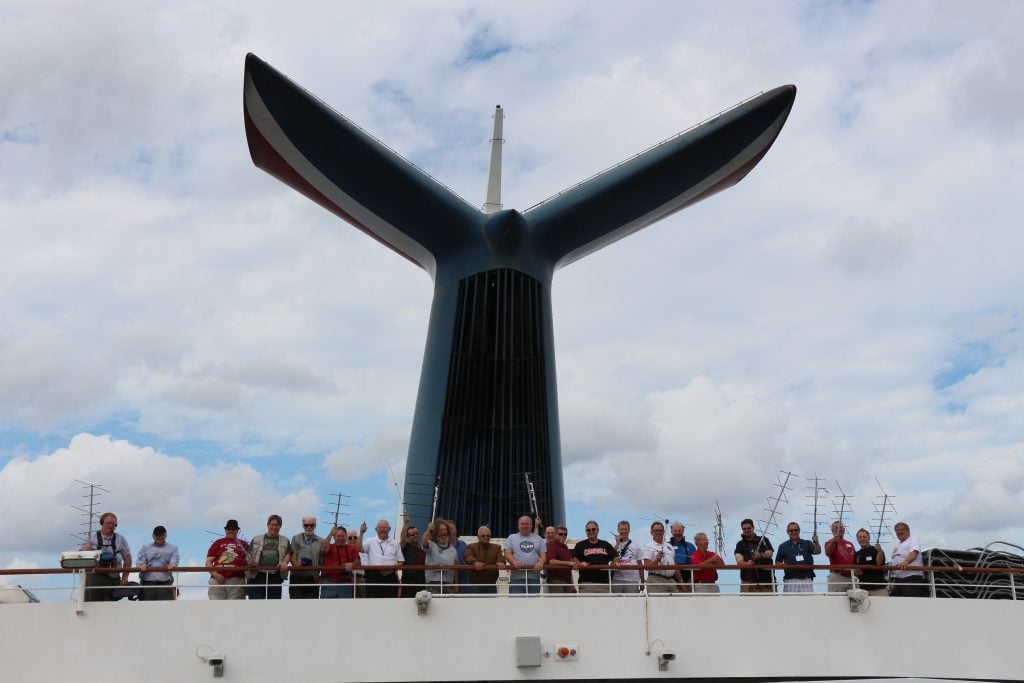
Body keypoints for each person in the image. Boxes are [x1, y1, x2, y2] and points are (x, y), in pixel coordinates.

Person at [80, 512, 132, 602]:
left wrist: (125, 577)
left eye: (114, 524)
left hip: (114, 578)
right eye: (108, 523)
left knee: (110, 608)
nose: (111, 526)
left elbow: (127, 558)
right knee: (92, 605)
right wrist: (86, 550)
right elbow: (79, 556)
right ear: (102, 523)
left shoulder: (120, 539)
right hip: (94, 577)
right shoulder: (91, 538)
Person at [246, 514, 292, 599]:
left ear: (280, 526)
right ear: (268, 525)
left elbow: (288, 553)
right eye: (272, 524)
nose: (274, 527)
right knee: (255, 606)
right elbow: (249, 554)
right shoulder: (256, 539)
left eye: (277, 525)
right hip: (257, 576)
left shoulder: (285, 540)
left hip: (275, 576)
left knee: (273, 607)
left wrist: (285, 562)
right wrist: (250, 561)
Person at [358, 519, 403, 598]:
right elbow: (358, 549)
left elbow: (401, 561)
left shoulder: (395, 543)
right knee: (373, 602)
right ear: (376, 529)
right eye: (380, 527)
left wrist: (391, 570)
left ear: (389, 529)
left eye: (385, 527)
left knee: (390, 602)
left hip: (390, 575)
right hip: (373, 576)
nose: (382, 529)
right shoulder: (369, 541)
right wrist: (361, 533)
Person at [206, 519, 249, 600]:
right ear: (225, 530)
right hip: (217, 580)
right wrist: (216, 575)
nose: (231, 531)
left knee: (234, 608)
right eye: (229, 529)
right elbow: (208, 562)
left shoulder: (244, 544)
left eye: (233, 529)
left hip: (237, 580)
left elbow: (249, 561)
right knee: (216, 606)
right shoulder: (217, 542)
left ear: (237, 531)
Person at [503, 514, 546, 595]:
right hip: (516, 579)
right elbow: (507, 553)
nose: (525, 526)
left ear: (531, 525)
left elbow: (543, 555)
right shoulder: (511, 538)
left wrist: (541, 563)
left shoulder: (538, 539)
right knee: (516, 604)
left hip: (534, 578)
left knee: (533, 604)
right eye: (522, 524)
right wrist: (514, 561)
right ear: (518, 526)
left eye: (527, 524)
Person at [572, 520, 619, 593]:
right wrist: (579, 564)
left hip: (604, 583)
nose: (591, 531)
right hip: (586, 583)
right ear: (586, 532)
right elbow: (574, 557)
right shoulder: (580, 545)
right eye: (588, 530)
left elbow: (615, 557)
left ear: (598, 530)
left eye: (593, 529)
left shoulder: (605, 544)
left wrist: (612, 567)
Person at [775, 522, 821, 593]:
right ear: (787, 532)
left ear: (799, 531)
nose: (793, 532)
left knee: (808, 603)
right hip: (790, 579)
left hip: (806, 579)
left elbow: (817, 552)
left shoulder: (807, 543)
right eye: (791, 530)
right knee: (790, 603)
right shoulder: (783, 546)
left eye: (795, 530)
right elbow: (777, 563)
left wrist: (817, 543)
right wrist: (783, 565)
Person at [137, 525, 179, 600]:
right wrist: (141, 564)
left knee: (165, 610)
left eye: (161, 536)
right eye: (157, 536)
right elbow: (140, 560)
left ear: (165, 535)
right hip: (147, 585)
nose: (159, 538)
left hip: (165, 585)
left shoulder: (173, 548)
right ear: (153, 536)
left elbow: (175, 560)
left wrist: (172, 565)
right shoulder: (145, 547)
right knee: (145, 609)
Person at [734, 518, 775, 593]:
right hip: (748, 582)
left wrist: (761, 555)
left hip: (766, 581)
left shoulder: (764, 540)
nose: (746, 530)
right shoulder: (740, 544)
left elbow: (770, 553)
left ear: (753, 528)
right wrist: (747, 564)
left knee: (768, 604)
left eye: (749, 528)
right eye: (744, 529)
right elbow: (739, 561)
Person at [640, 521, 681, 594]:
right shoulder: (648, 547)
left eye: (660, 530)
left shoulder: (669, 546)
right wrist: (657, 560)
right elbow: (646, 567)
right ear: (651, 532)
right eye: (656, 530)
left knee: (676, 603)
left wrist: (681, 581)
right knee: (658, 604)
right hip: (656, 580)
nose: (658, 532)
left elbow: (675, 566)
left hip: (671, 580)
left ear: (664, 532)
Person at [320, 525, 360, 598]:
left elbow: (358, 562)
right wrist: (330, 534)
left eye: (343, 536)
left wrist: (352, 564)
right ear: (334, 537)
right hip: (329, 583)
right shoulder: (330, 547)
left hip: (346, 584)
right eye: (338, 536)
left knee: (345, 608)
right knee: (326, 608)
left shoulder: (352, 548)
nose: (341, 538)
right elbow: (323, 549)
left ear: (346, 537)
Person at [289, 516, 325, 599]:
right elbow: (292, 556)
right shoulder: (296, 538)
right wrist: (298, 565)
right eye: (306, 525)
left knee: (312, 609)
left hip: (313, 578)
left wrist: (321, 576)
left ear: (315, 526)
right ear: (303, 526)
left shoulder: (321, 541)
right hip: (297, 577)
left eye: (311, 525)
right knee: (296, 607)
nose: (309, 527)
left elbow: (323, 561)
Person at [890, 521, 927, 597]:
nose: (899, 532)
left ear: (908, 531)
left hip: (912, 578)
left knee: (909, 605)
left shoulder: (913, 540)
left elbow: (914, 552)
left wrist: (906, 562)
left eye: (902, 529)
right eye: (897, 530)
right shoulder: (897, 546)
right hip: (898, 580)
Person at [422, 520, 459, 594]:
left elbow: (456, 570)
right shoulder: (431, 545)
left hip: (448, 584)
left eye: (445, 530)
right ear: (436, 533)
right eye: (440, 530)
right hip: (432, 584)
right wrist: (429, 530)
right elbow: (424, 542)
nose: (443, 533)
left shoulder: (453, 550)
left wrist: (456, 585)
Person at [464, 526, 504, 594]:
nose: (486, 537)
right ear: (478, 537)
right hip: (475, 584)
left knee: (491, 604)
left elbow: (501, 557)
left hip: (491, 584)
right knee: (474, 604)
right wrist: (475, 562)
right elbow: (468, 556)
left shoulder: (497, 547)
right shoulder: (471, 546)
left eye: (488, 535)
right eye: (483, 535)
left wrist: (501, 562)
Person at [824, 520, 856, 593]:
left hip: (851, 577)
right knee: (836, 601)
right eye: (836, 528)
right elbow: (827, 553)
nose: (839, 529)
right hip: (837, 577)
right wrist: (833, 542)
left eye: (841, 527)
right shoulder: (829, 542)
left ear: (844, 530)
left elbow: (855, 558)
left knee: (854, 602)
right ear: (832, 530)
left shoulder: (850, 543)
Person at [853, 528, 887, 596]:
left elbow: (879, 563)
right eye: (860, 537)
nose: (862, 539)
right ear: (857, 539)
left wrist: (879, 551)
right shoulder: (857, 554)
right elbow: (855, 571)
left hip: (879, 588)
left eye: (864, 537)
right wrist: (855, 572)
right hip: (863, 589)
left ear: (869, 538)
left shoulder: (877, 550)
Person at [611, 520, 642, 594]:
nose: (624, 531)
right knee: (617, 603)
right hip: (616, 578)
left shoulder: (636, 544)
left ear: (629, 530)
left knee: (632, 603)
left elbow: (640, 564)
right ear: (618, 530)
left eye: (626, 529)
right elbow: (610, 557)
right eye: (621, 529)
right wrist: (617, 544)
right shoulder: (612, 543)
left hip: (632, 580)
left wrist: (642, 581)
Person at [398, 515, 426, 597]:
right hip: (408, 584)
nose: (415, 535)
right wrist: (405, 524)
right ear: (407, 537)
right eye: (412, 534)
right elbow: (402, 541)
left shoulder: (423, 551)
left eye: (417, 533)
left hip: (421, 584)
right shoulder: (406, 547)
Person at [543, 525, 576, 594]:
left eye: (565, 534)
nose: (563, 536)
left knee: (570, 603)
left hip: (567, 581)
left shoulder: (566, 548)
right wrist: (568, 563)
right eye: (560, 534)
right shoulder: (552, 546)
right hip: (556, 580)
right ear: (556, 535)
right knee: (559, 603)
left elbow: (570, 566)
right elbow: (551, 561)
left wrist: (573, 585)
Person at [669, 522, 696, 592]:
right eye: (675, 531)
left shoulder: (691, 546)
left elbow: (695, 562)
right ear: (671, 532)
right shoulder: (666, 546)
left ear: (683, 532)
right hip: (671, 577)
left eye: (679, 531)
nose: (677, 533)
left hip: (688, 577)